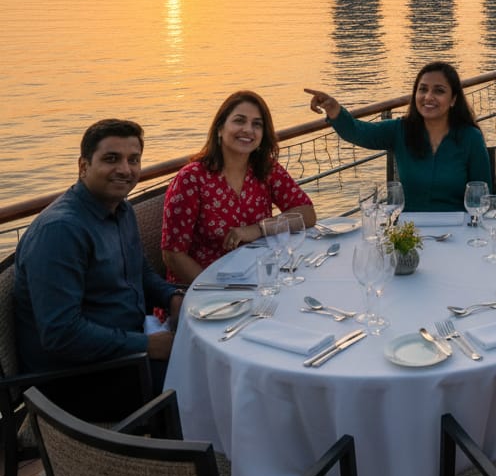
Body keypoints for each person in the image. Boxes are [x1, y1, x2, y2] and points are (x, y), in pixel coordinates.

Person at [13, 119, 184, 420]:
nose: (125, 169)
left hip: (123, 353)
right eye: (111, 158)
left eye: (134, 160)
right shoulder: (62, 231)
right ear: (83, 166)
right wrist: (147, 345)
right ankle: (190, 462)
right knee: (205, 378)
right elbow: (61, 334)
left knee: (216, 358)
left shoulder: (120, 209)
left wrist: (172, 297)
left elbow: (139, 272)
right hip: (76, 382)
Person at [161, 91, 316, 284]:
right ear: (219, 129)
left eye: (257, 124)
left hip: (259, 277)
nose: (248, 130)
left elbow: (306, 214)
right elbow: (173, 255)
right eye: (239, 121)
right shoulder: (191, 179)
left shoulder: (266, 169)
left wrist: (258, 229)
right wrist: (214, 290)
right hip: (203, 287)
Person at [306, 61, 491, 209]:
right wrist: (333, 109)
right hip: (410, 233)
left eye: (439, 91)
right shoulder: (400, 130)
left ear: (453, 100)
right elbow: (359, 132)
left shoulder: (470, 137)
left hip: (459, 232)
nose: (428, 97)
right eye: (423, 89)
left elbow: (483, 197)